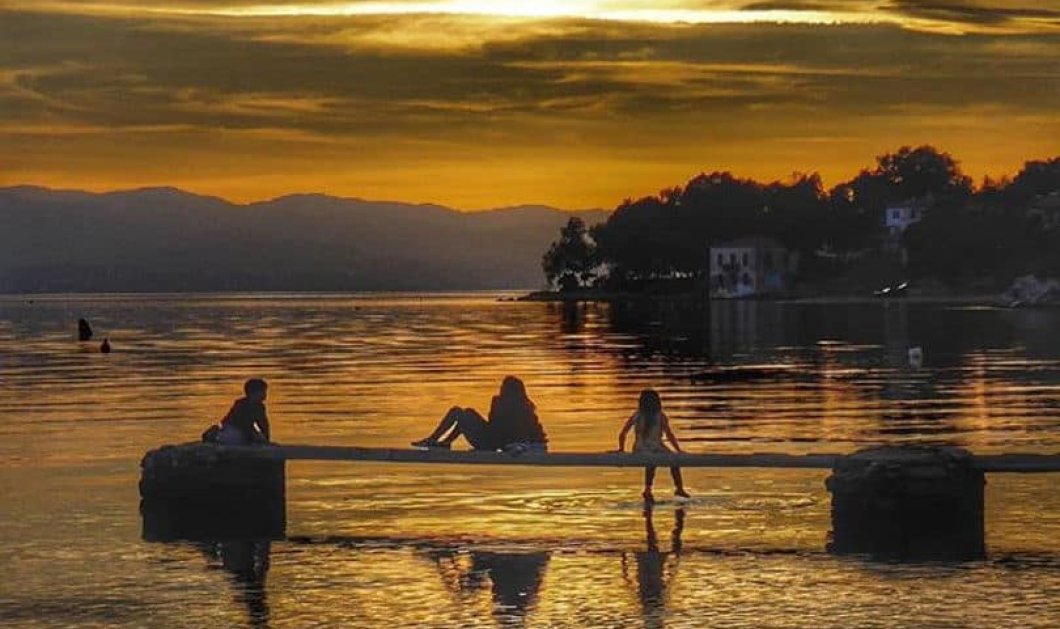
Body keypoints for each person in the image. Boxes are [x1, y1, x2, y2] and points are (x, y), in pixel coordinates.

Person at [411, 376, 547, 452]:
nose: (500, 390)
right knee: (464, 412)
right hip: (491, 437)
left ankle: (436, 440)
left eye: (503, 388)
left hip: (490, 444)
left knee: (460, 414)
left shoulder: (522, 409)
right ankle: (442, 441)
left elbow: (531, 435)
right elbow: (493, 424)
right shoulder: (502, 402)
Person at [617, 389, 690, 503]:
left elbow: (623, 433)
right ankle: (648, 489)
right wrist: (621, 450)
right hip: (643, 447)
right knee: (652, 461)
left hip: (656, 446)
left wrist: (678, 450)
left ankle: (678, 488)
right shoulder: (640, 415)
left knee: (674, 461)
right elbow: (669, 434)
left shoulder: (655, 416)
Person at [217, 378, 271, 445]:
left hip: (239, 431)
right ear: (254, 393)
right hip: (232, 431)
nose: (265, 394)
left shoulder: (259, 407)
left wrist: (266, 440)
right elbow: (241, 423)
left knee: (258, 437)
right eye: (263, 391)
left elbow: (264, 424)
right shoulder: (242, 405)